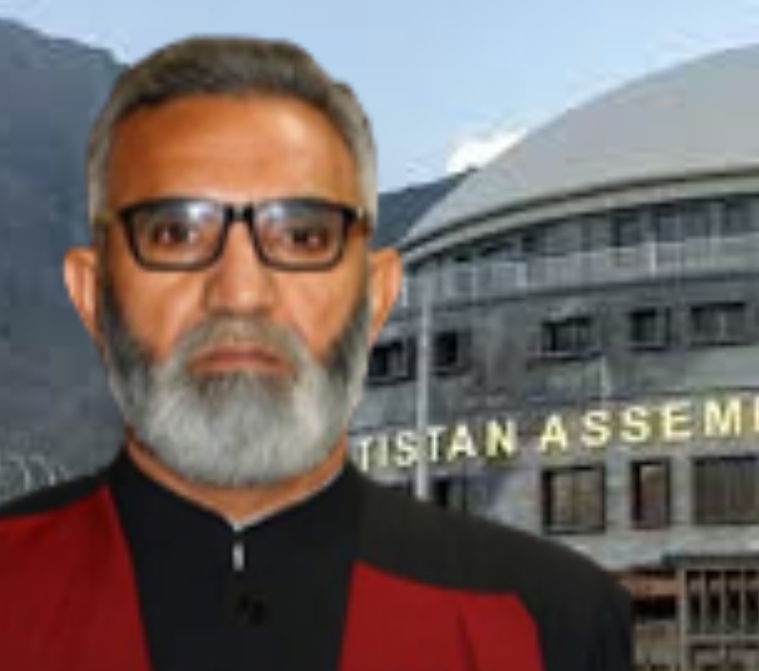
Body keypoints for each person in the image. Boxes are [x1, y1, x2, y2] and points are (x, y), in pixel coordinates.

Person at [0, 36, 632, 671]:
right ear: (92, 293)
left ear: (376, 296)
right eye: (175, 234)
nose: (241, 294)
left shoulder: (549, 625)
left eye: (302, 237)